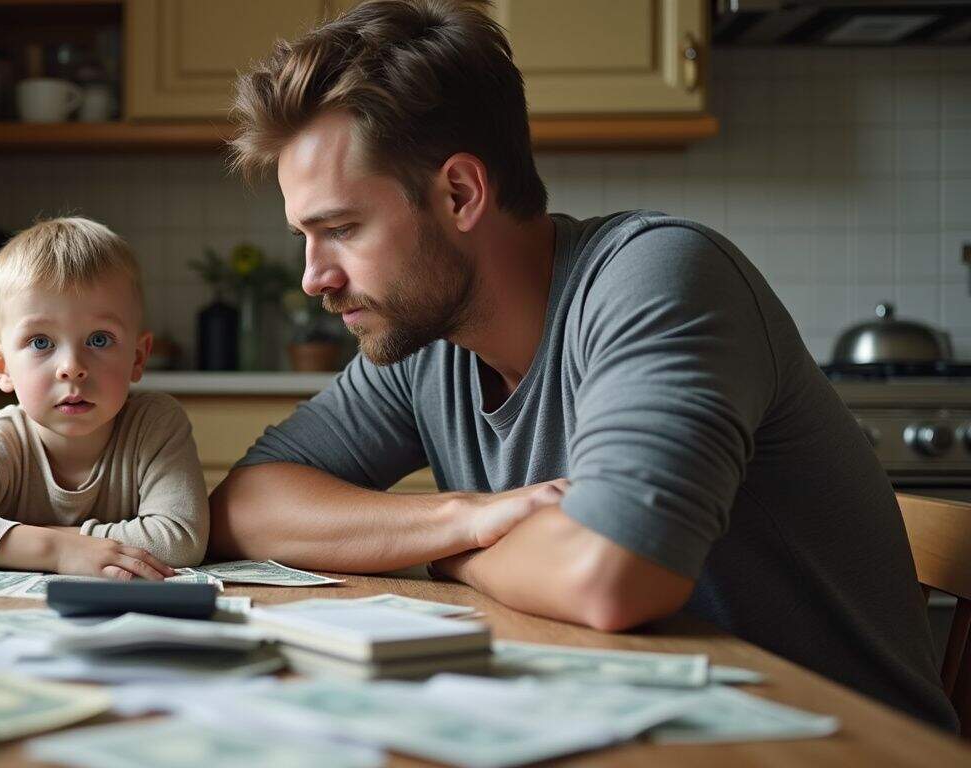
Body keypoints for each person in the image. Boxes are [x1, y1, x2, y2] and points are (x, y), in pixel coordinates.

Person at [209, 0, 957, 729]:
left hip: (832, 745)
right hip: (644, 722)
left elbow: (613, 578)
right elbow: (246, 506)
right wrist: (461, 517)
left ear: (461, 192)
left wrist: (453, 559)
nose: (313, 277)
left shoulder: (658, 275)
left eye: (339, 229)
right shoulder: (426, 342)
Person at [0, 217, 208, 579]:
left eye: (99, 340)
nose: (72, 368)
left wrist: (32, 542)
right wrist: (59, 551)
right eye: (41, 342)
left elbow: (180, 540)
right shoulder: (0, 439)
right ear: (1, 366)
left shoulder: (155, 424)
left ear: (137, 358)